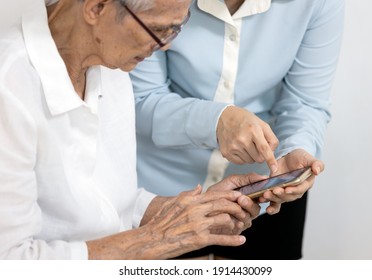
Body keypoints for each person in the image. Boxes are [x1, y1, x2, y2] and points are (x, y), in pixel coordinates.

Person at [0, 0, 277, 260]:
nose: (166, 46)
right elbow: (12, 260)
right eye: (158, 29)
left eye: (177, 28)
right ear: (96, 8)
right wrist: (157, 239)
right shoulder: (9, 87)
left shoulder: (111, 65)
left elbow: (113, 205)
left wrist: (198, 212)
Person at [130, 0, 344, 259]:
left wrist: (297, 148)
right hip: (159, 192)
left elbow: (305, 102)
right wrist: (217, 121)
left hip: (263, 195)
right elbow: (141, 99)